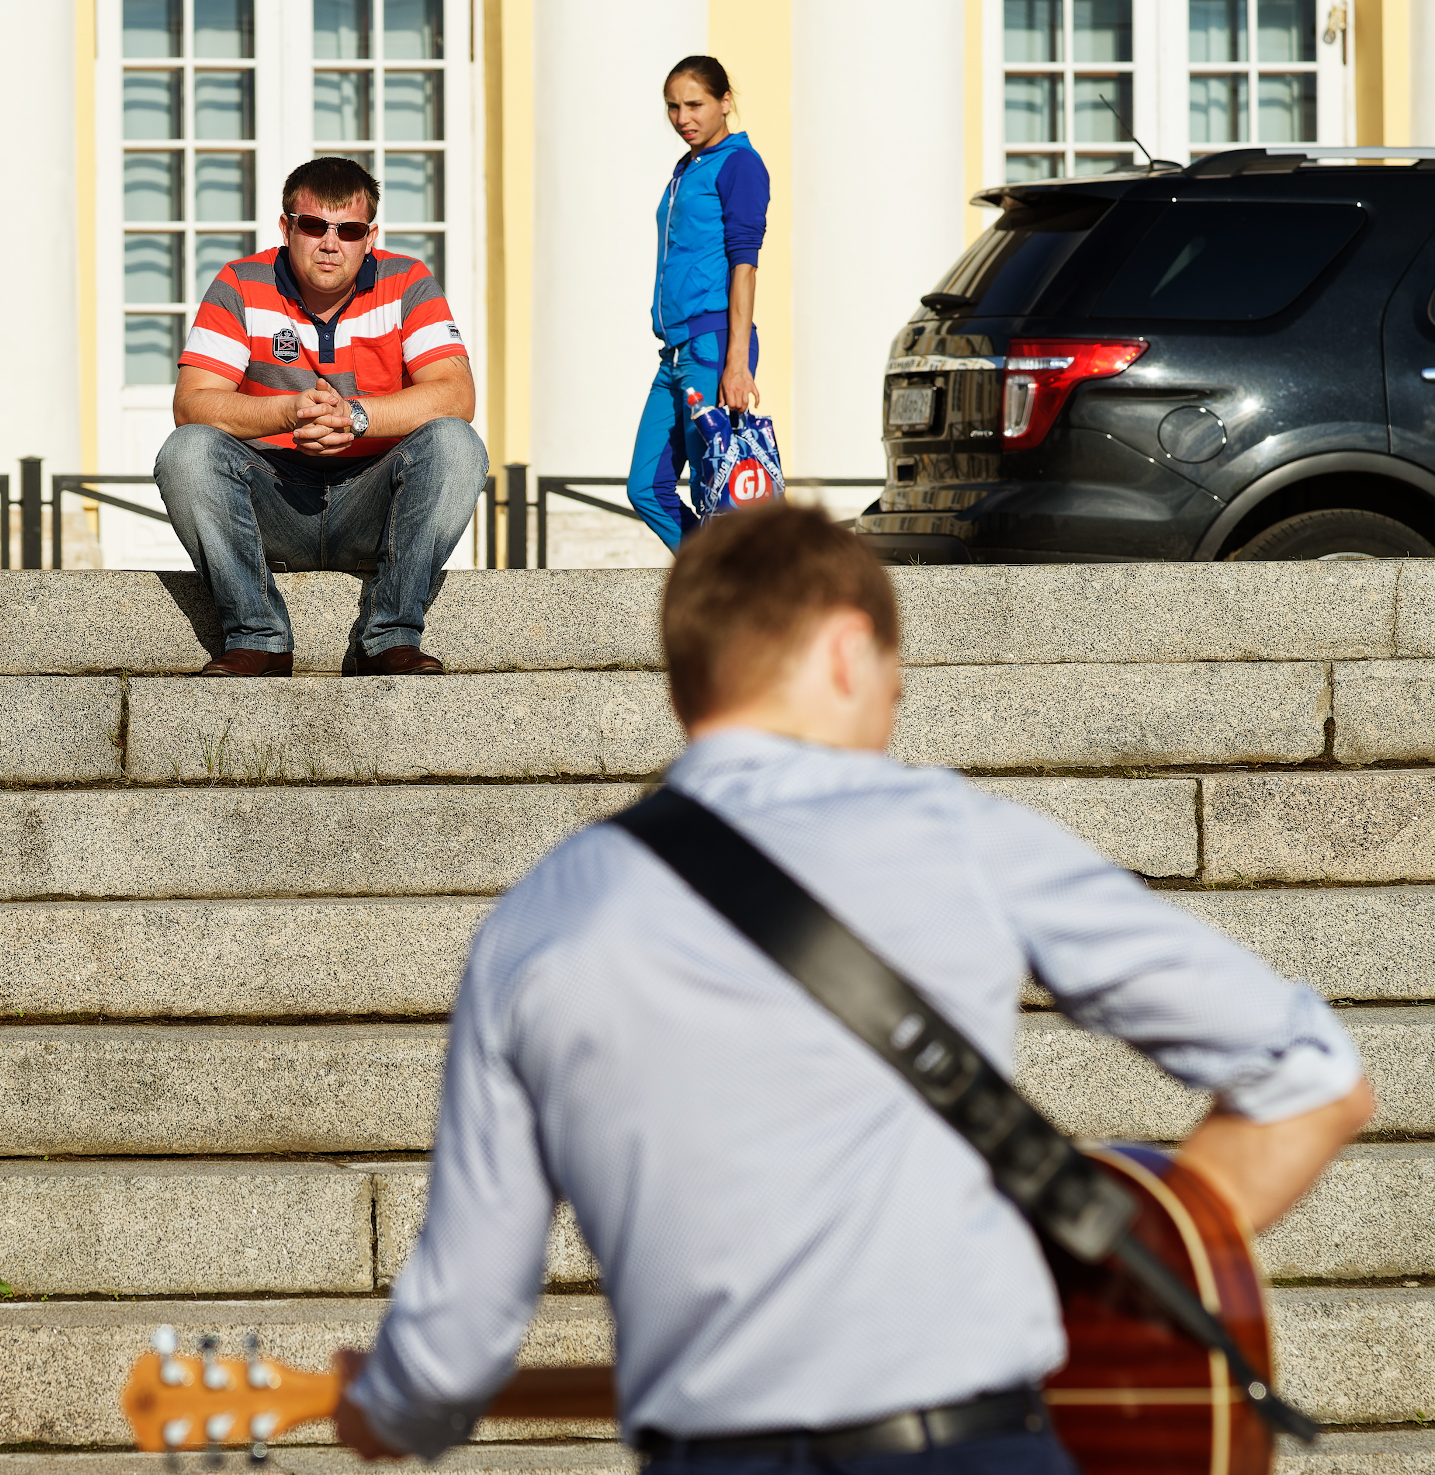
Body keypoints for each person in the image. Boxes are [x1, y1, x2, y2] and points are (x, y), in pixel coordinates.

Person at [333, 502, 1374, 1472]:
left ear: (689, 678)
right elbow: (1312, 1074)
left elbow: (460, 1334)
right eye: (892, 680)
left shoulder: (539, 918)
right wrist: (1129, 1281)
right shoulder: (958, 836)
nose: (894, 707)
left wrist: (386, 1406)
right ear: (844, 649)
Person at [155, 156, 487, 677]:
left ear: (369, 236)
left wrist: (354, 416)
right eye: (313, 226)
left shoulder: (409, 281)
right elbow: (192, 404)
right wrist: (288, 410)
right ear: (287, 227)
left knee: (456, 443)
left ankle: (390, 635)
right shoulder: (240, 282)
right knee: (188, 451)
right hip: (273, 498)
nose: (330, 243)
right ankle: (258, 635)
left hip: (373, 501)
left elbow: (456, 395)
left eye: (349, 230)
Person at [627, 57, 770, 551]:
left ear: (724, 102)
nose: (683, 117)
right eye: (673, 106)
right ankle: (717, 577)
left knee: (712, 484)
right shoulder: (688, 167)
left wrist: (736, 363)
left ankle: (737, 594)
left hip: (712, 346)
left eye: (695, 104)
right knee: (645, 487)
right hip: (675, 350)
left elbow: (744, 266)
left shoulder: (740, 164)